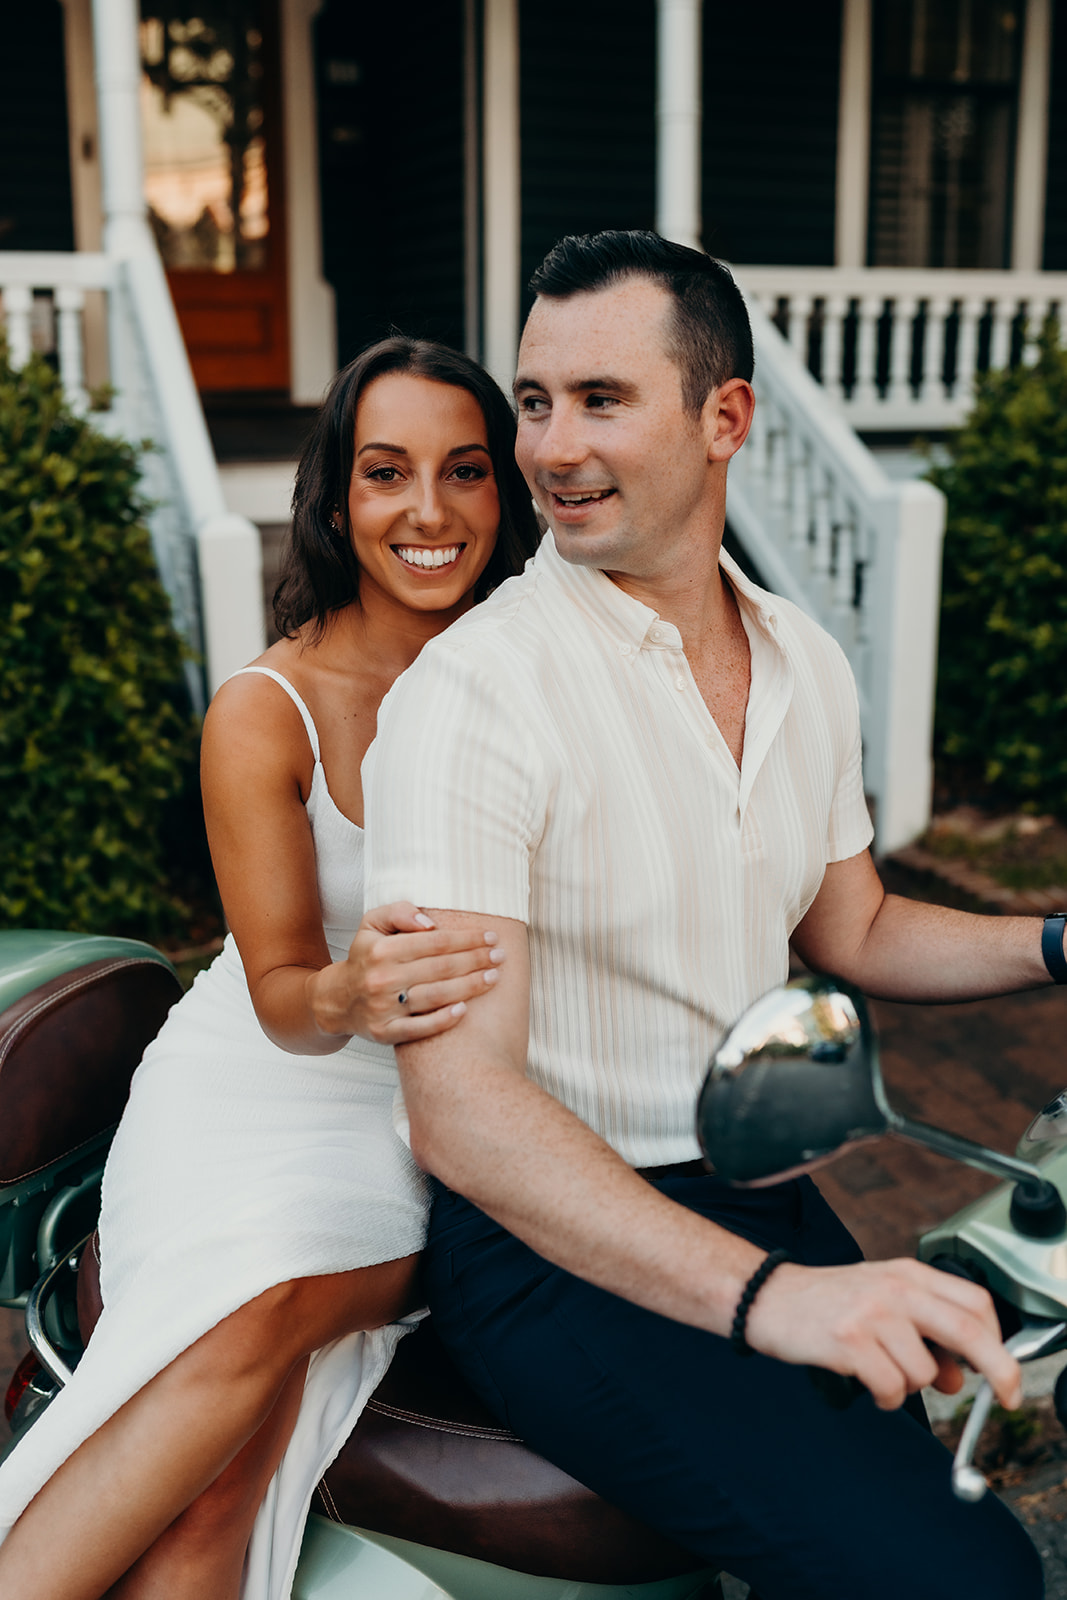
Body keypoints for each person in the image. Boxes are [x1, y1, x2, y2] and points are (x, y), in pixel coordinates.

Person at [361, 232, 1053, 1600]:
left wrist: (1050, 944)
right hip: (554, 1250)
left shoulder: (801, 657)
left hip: (765, 1186)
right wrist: (769, 1300)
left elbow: (849, 928)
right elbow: (461, 1109)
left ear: (721, 417)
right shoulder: (473, 694)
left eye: (599, 399)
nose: (549, 446)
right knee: (962, 1580)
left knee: (904, 1521)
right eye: (534, 401)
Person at [0, 336, 539, 1600]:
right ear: (335, 498)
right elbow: (285, 993)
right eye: (384, 472)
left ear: (502, 495)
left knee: (266, 1345)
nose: (427, 512)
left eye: (464, 472)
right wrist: (352, 991)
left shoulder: (527, 665)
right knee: (216, 1493)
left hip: (421, 1119)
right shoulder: (265, 708)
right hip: (258, 1084)